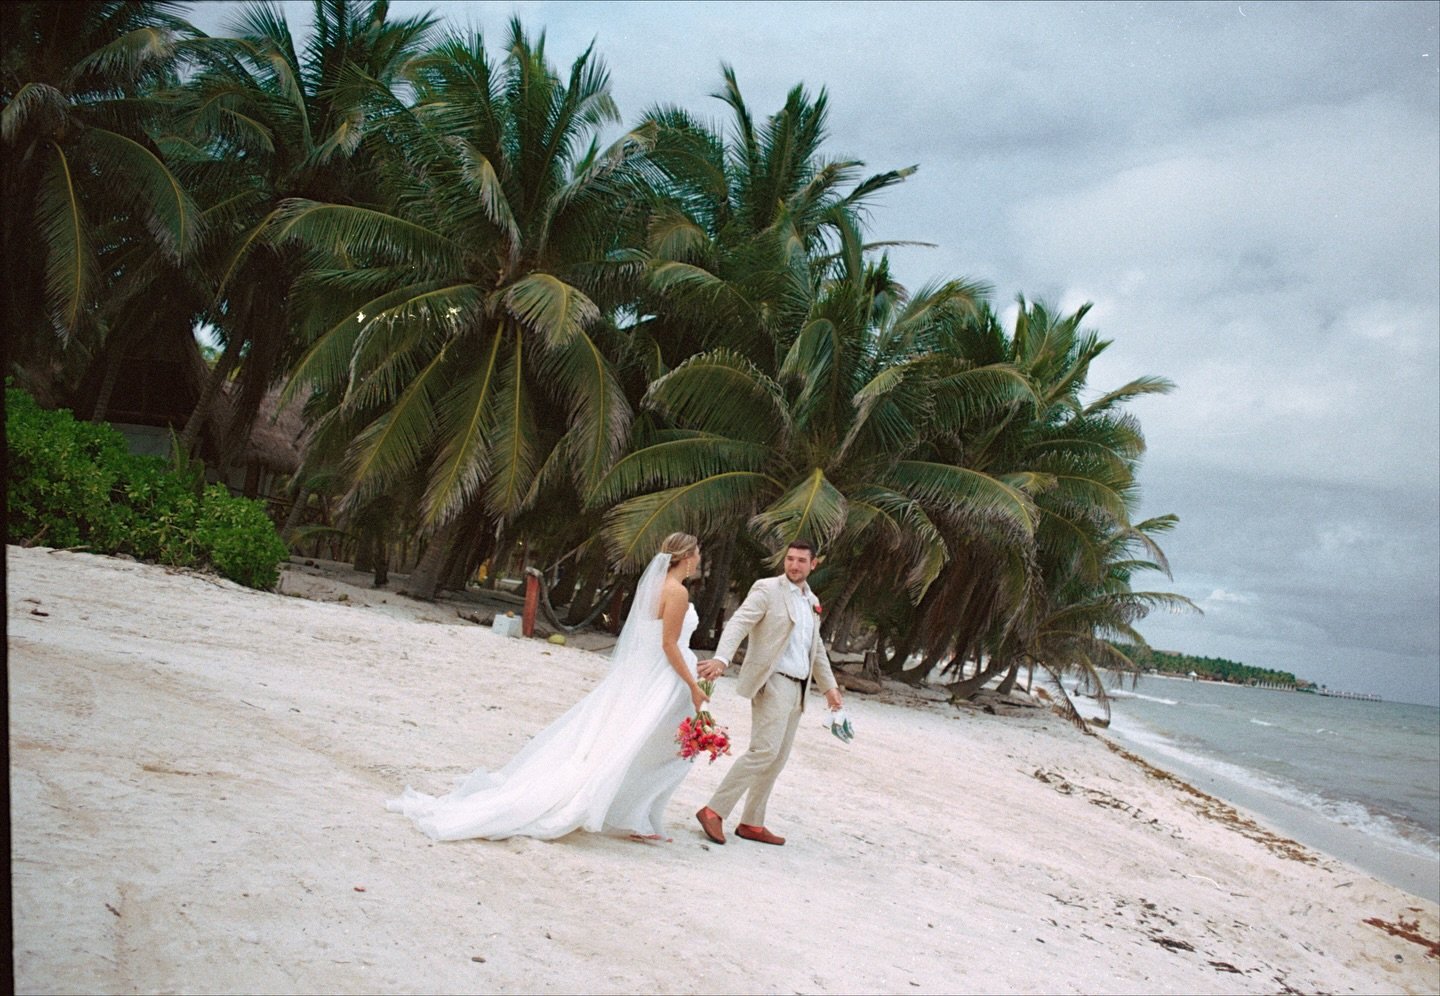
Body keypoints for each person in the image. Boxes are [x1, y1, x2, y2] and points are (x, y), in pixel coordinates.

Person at [387, 533, 710, 841]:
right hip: (663, 676)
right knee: (654, 747)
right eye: (697, 553)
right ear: (685, 556)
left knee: (636, 743)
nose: (699, 559)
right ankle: (629, 813)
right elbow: (669, 644)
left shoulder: (656, 588)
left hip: (646, 673)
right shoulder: (677, 592)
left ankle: (632, 813)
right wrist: (693, 685)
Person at [694, 539, 842, 846]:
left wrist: (830, 688)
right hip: (772, 681)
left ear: (814, 564)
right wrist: (722, 659)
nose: (794, 565)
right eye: (790, 559)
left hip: (799, 688)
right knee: (763, 751)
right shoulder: (767, 589)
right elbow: (738, 624)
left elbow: (815, 651)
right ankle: (713, 810)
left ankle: (752, 822)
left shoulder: (810, 600)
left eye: (802, 560)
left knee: (777, 759)